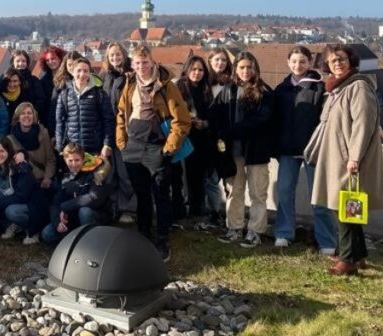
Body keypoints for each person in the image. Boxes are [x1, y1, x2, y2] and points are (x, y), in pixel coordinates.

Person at [310, 45, 383, 275]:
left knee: (345, 207)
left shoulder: (358, 86)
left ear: (351, 60)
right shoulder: (338, 87)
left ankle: (348, 260)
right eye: (332, 61)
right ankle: (357, 254)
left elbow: (364, 124)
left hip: (349, 159)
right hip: (336, 156)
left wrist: (354, 157)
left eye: (341, 59)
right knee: (345, 206)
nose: (337, 64)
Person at [115, 46, 191, 260]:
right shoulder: (130, 83)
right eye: (137, 63)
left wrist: (169, 148)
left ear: (152, 62)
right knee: (142, 194)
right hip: (133, 144)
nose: (141, 66)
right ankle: (144, 234)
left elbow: (182, 120)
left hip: (156, 144)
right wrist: (121, 142)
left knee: (160, 193)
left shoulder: (166, 86)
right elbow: (121, 113)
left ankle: (162, 238)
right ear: (132, 64)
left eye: (145, 62)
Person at [273, 46, 335, 253]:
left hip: (313, 150)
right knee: (284, 192)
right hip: (287, 150)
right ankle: (284, 233)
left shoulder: (320, 88)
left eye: (302, 61)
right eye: (294, 61)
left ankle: (326, 240)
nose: (297, 65)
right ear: (288, 62)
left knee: (319, 197)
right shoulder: (281, 89)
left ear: (309, 63)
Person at [213, 52, 274, 249]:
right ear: (235, 69)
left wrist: (233, 130)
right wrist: (220, 134)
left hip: (256, 151)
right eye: (242, 67)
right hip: (233, 152)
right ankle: (234, 227)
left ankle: (255, 231)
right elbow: (216, 115)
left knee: (257, 193)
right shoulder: (227, 90)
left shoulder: (264, 91)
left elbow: (263, 120)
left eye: (249, 67)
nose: (246, 71)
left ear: (255, 69)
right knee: (234, 191)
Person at [174, 56, 223, 229]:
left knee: (201, 176)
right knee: (184, 177)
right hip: (184, 138)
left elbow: (214, 116)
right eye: (193, 69)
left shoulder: (207, 89)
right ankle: (184, 211)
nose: (197, 73)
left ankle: (199, 210)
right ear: (187, 69)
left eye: (200, 70)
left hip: (203, 139)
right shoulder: (178, 87)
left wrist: (205, 123)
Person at [42, 143, 113, 244]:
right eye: (70, 160)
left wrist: (64, 207)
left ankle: (92, 241)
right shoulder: (65, 177)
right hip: (73, 217)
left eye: (77, 160)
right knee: (47, 233)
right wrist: (57, 222)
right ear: (65, 160)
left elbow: (94, 197)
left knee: (84, 212)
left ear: (83, 159)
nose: (74, 164)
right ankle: (77, 238)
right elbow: (55, 203)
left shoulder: (95, 172)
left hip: (96, 214)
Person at [0, 138, 47, 244]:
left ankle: (33, 230)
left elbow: (22, 196)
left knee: (11, 211)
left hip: (31, 203)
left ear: (9, 151)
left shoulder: (20, 166)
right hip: (11, 199)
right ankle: (12, 226)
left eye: (2, 151)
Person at [55, 57, 115, 156]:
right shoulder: (64, 94)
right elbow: (60, 122)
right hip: (73, 150)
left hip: (95, 149)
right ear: (72, 72)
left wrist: (107, 144)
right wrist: (60, 147)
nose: (82, 74)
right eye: (78, 70)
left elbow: (108, 120)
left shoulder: (99, 93)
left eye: (85, 71)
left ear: (90, 73)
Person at [4, 102, 56, 196]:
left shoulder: (43, 133)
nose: (26, 116)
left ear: (34, 116)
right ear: (18, 118)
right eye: (23, 113)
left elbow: (50, 159)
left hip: (41, 181)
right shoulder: (10, 139)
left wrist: (47, 177)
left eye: (29, 113)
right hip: (23, 184)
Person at [8, 50, 47, 127]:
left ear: (27, 63)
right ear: (13, 63)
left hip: (29, 119)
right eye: (18, 61)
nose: (21, 64)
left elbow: (41, 99)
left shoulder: (34, 80)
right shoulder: (6, 79)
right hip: (12, 120)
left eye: (23, 61)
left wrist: (30, 112)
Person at [38, 46, 66, 135]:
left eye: (53, 58)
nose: (50, 62)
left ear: (60, 59)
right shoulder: (43, 81)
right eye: (47, 60)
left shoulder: (68, 77)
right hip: (49, 121)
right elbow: (43, 105)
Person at [100, 42, 131, 114]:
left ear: (124, 55)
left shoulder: (130, 75)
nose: (115, 58)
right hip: (107, 118)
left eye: (118, 54)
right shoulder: (103, 76)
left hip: (124, 117)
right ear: (108, 57)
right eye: (112, 55)